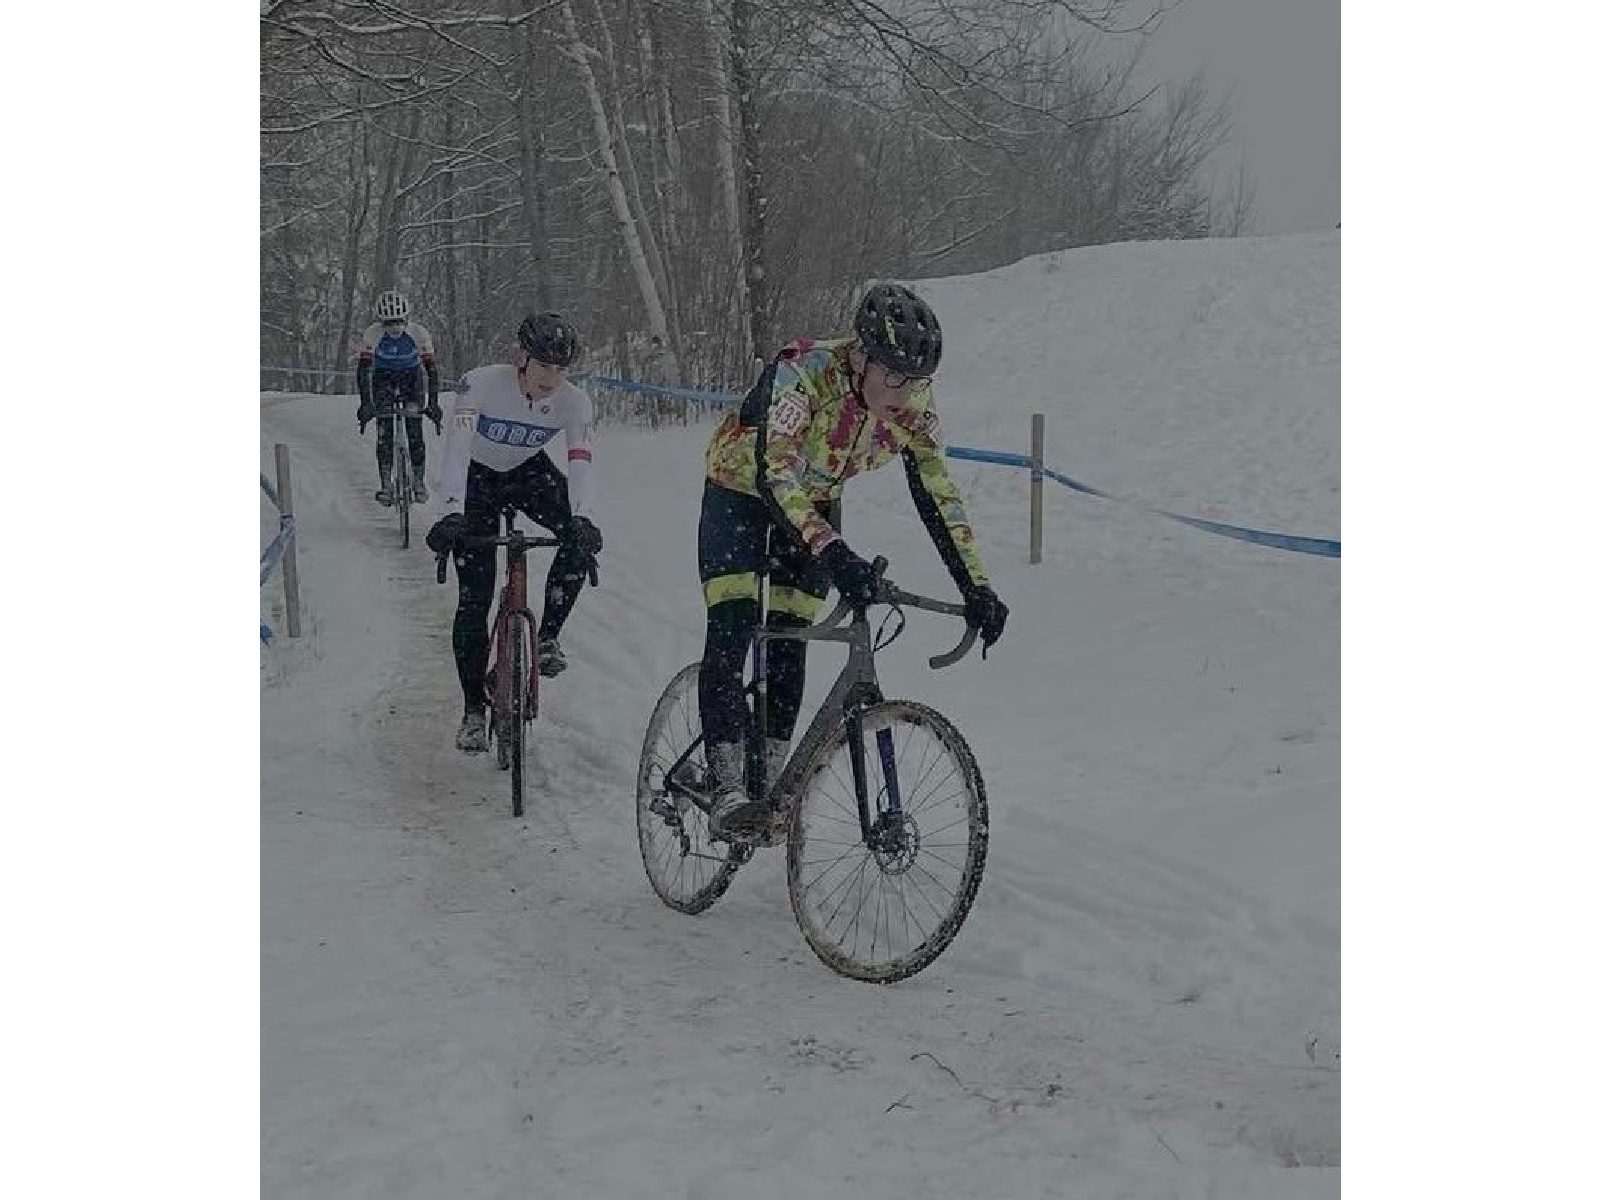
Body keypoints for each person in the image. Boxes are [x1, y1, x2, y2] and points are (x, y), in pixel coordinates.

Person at [696, 283, 1010, 838]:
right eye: (892, 375)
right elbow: (776, 476)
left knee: (792, 637)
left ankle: (766, 788)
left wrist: (976, 586)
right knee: (734, 624)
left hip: (814, 500)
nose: (905, 392)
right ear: (860, 357)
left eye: (916, 380)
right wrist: (834, 552)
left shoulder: (911, 405)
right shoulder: (805, 372)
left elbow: (938, 493)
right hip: (742, 491)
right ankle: (725, 788)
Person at [424, 313, 604, 754]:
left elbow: (580, 461)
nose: (553, 379)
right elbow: (458, 449)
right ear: (520, 358)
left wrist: (582, 516)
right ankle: (472, 711)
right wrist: (450, 511)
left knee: (579, 543)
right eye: (544, 366)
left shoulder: (574, 403)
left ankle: (547, 639)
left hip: (529, 474)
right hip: (477, 482)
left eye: (562, 370)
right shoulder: (481, 384)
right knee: (475, 598)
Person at [356, 290, 443, 504]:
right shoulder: (372, 334)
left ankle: (419, 482)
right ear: (380, 322)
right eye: (388, 323)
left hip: (411, 378)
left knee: (415, 430)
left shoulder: (419, 334)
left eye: (398, 322)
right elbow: (363, 371)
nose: (394, 328)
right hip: (383, 378)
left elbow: (431, 371)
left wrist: (433, 404)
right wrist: (366, 404)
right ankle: (386, 484)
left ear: (407, 319)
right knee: (384, 432)